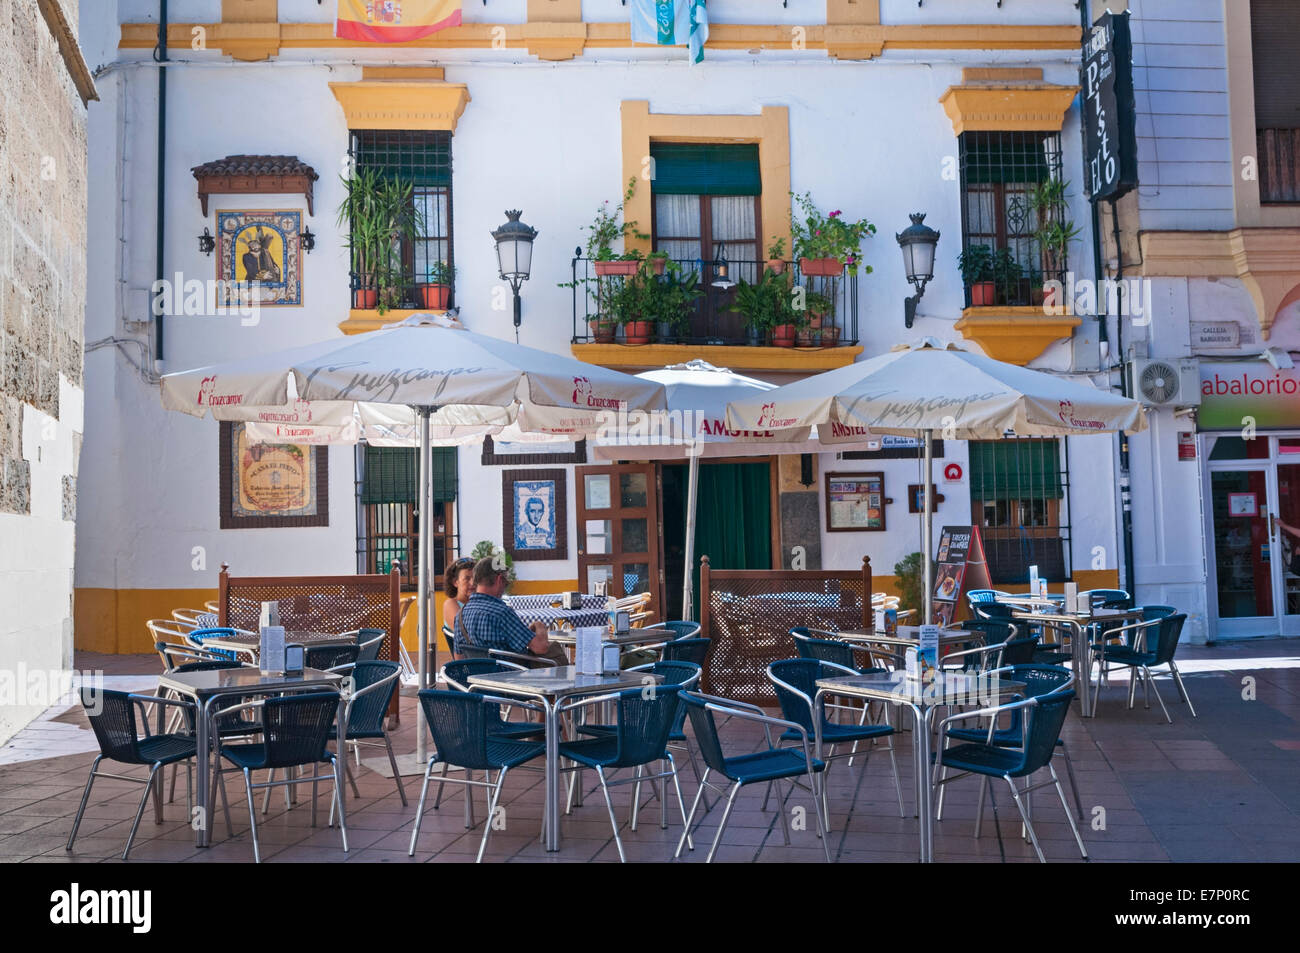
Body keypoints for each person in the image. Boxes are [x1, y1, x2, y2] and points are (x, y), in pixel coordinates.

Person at [456, 557, 569, 666]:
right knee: (555, 650)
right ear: (499, 580)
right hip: (510, 677)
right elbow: (541, 647)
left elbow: (459, 657)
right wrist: (540, 626)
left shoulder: (461, 614)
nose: (505, 587)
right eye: (506, 582)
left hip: (477, 680)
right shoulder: (501, 613)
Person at [439, 557, 475, 663]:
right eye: (467, 579)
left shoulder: (476, 603)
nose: (472, 583)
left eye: (475, 578)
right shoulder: (451, 604)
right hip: (469, 662)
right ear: (455, 582)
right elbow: (465, 631)